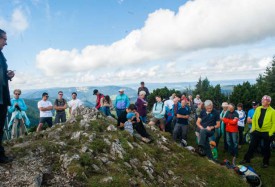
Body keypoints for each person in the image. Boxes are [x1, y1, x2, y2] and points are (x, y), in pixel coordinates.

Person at [242, 95, 275, 168]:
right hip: (256, 131)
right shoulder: (258, 109)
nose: (262, 101)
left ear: (269, 102)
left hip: (266, 132)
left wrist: (270, 133)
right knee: (252, 146)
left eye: (265, 100)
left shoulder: (273, 111)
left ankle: (265, 162)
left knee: (266, 148)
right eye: (262, 99)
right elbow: (254, 119)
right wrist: (253, 128)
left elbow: (274, 123)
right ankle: (246, 159)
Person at [0, 29, 14, 163]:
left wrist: (7, 75)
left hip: (2, 98)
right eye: (4, 39)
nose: (6, 43)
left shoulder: (1, 56)